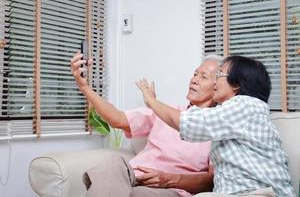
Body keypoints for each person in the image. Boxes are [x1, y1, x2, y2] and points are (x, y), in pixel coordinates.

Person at [136, 55, 296, 197]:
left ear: (236, 84)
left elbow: (189, 123)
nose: (215, 82)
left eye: (219, 75)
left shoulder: (247, 106)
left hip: (262, 193)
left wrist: (152, 102)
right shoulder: (226, 116)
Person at [70, 52, 223, 197]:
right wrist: (84, 87)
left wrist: (168, 179)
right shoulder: (166, 112)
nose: (194, 79)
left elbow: (211, 180)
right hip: (131, 177)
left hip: (168, 189)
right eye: (195, 74)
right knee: (113, 163)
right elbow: (117, 119)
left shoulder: (217, 129)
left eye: (204, 77)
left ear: (218, 87)